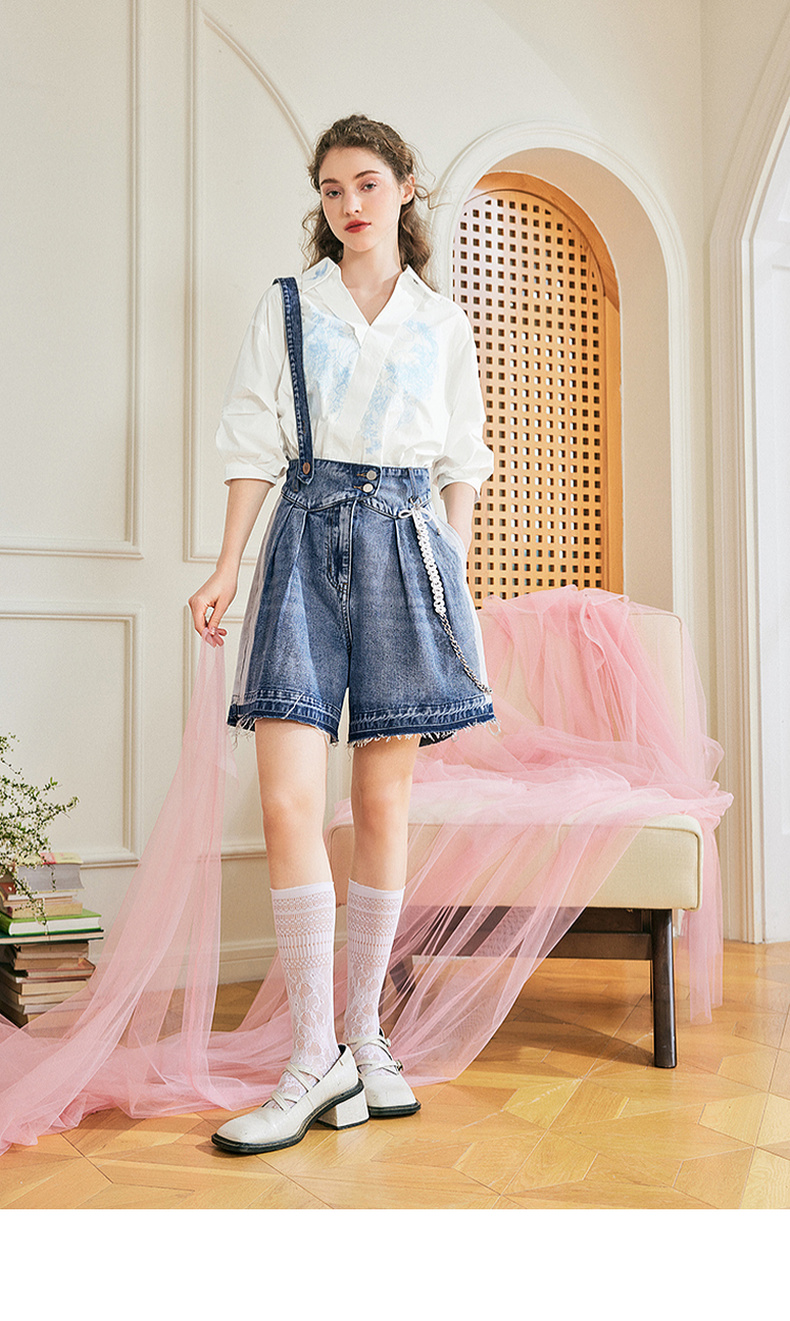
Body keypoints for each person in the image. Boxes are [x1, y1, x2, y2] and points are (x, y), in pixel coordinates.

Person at [188, 113, 495, 1155]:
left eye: (366, 182)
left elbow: (461, 460)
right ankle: (313, 1053)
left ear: (405, 188)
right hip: (305, 537)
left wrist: (450, 569)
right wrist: (226, 565)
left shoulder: (441, 322)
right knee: (287, 799)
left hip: (410, 547)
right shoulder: (290, 307)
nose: (349, 203)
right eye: (331, 188)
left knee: (381, 799)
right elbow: (251, 441)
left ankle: (365, 1036)